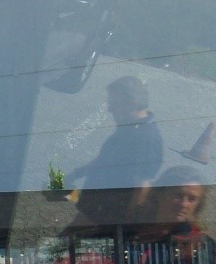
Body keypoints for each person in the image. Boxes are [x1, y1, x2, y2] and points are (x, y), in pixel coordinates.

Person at [67, 75, 164, 218]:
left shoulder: (146, 138)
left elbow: (142, 186)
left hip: (108, 214)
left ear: (132, 103)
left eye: (114, 104)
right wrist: (76, 174)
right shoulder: (129, 127)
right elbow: (105, 160)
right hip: (95, 206)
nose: (110, 109)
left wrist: (126, 222)